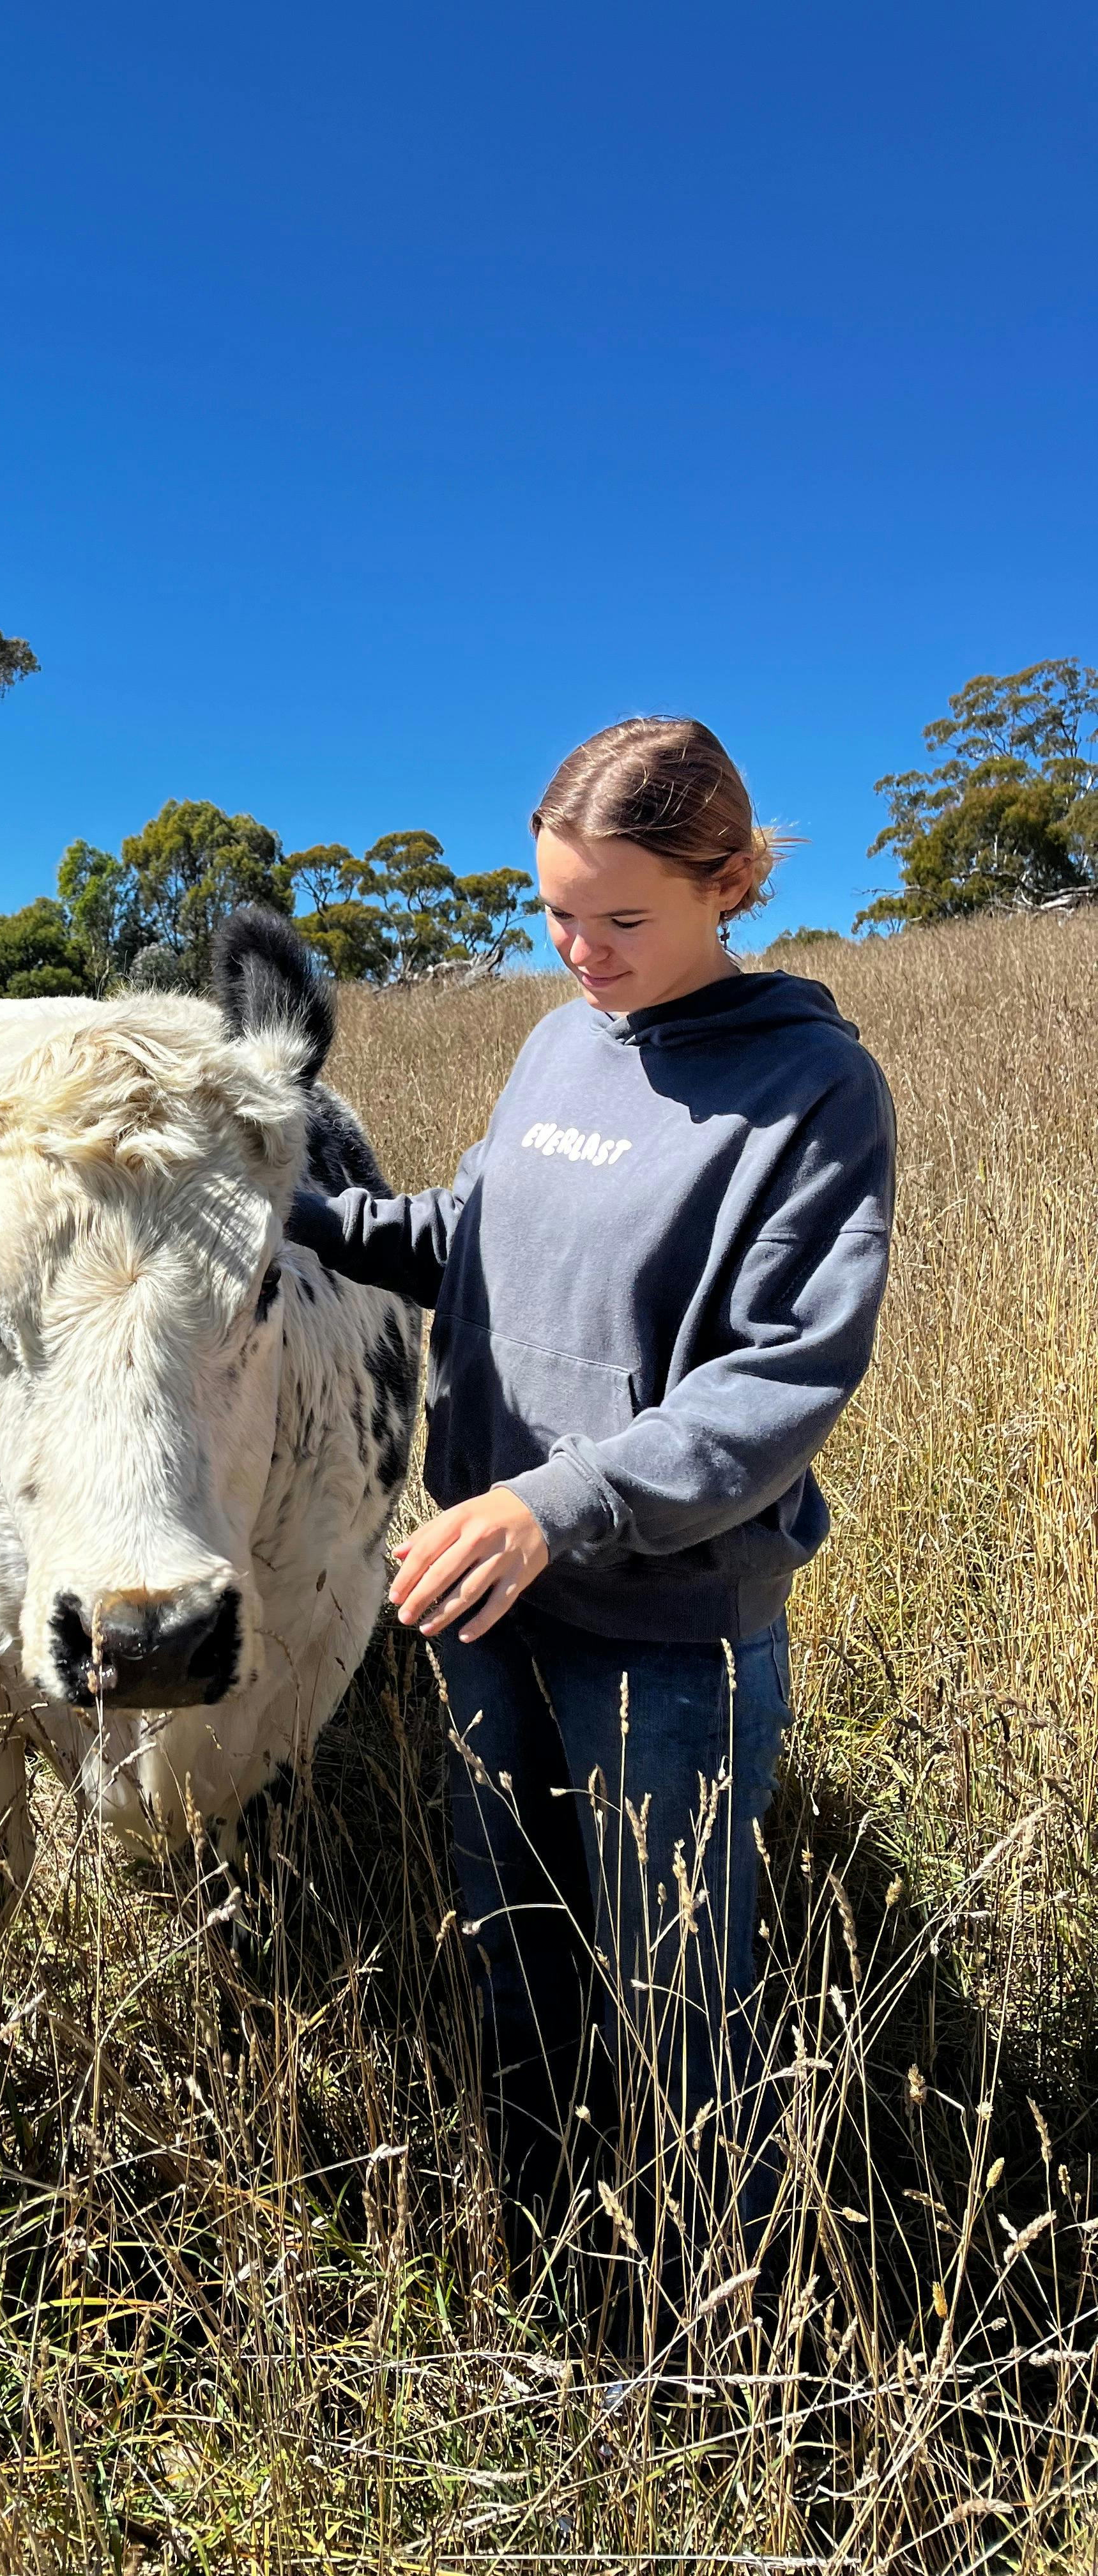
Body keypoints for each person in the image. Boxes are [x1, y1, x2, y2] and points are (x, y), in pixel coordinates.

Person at [287, 717, 896, 2306]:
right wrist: (295, 1210)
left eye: (621, 918)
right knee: (515, 1950)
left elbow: (780, 1382)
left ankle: (715, 2317)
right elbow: (465, 1235)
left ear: (732, 883)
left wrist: (563, 1502)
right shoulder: (565, 1041)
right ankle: (556, 2266)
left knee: (679, 1992)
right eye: (555, 912)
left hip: (661, 1632)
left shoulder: (810, 1089)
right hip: (483, 1597)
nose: (581, 950)